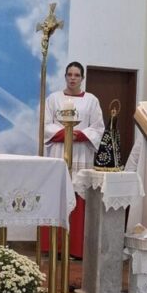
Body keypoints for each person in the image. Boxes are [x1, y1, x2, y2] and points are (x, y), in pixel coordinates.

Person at [43, 61, 104, 258]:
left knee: (78, 197)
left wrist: (80, 134)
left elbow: (98, 127)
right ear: (65, 76)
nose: (72, 78)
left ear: (82, 78)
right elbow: (45, 125)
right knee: (58, 197)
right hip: (59, 152)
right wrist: (66, 133)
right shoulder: (54, 99)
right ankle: (54, 246)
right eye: (69, 74)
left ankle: (76, 248)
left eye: (77, 75)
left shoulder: (91, 100)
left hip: (81, 154)